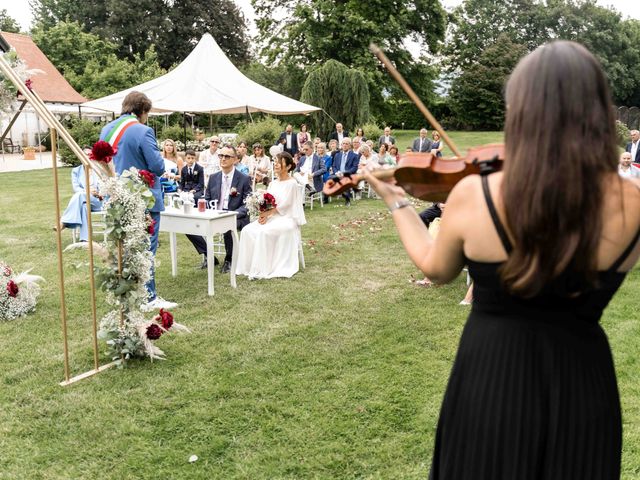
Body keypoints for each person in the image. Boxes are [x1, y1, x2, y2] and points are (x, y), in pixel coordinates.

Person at [364, 41, 640, 479]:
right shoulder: (632, 204)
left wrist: (398, 203)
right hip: (582, 383)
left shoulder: (475, 193)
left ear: (523, 110)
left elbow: (436, 268)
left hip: (491, 377)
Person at [100, 91, 177, 311]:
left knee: (124, 247)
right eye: (147, 113)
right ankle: (149, 297)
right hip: (144, 198)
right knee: (146, 248)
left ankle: (128, 292)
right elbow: (158, 167)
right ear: (142, 111)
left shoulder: (107, 130)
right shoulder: (143, 131)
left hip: (117, 196)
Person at [236, 152, 306, 279]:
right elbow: (268, 202)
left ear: (289, 166)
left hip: (287, 219)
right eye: (276, 162)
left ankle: (264, 267)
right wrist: (263, 214)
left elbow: (285, 205)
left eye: (280, 162)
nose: (277, 165)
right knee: (247, 230)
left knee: (264, 232)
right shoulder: (273, 183)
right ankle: (247, 266)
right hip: (272, 216)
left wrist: (267, 214)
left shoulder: (292, 184)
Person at [186, 144, 252, 272]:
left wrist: (233, 214)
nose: (223, 159)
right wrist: (202, 205)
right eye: (221, 156)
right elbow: (208, 199)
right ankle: (209, 255)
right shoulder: (213, 177)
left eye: (227, 156)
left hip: (236, 216)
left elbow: (247, 203)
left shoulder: (244, 179)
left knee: (227, 225)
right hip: (214, 214)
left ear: (235, 159)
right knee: (189, 226)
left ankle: (229, 259)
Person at [59, 163, 103, 241]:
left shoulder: (98, 168)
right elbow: (76, 188)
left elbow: (105, 186)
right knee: (83, 206)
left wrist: (97, 193)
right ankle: (85, 239)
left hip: (98, 200)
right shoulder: (76, 171)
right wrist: (88, 191)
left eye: (89, 156)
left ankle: (64, 221)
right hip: (84, 199)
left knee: (79, 195)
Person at [330, 137, 359, 207]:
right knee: (328, 178)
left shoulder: (354, 156)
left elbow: (354, 168)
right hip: (337, 174)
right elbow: (333, 166)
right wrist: (336, 172)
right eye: (343, 143)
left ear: (350, 145)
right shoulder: (337, 155)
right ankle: (325, 199)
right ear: (341, 145)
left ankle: (347, 200)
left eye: (347, 144)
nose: (345, 145)